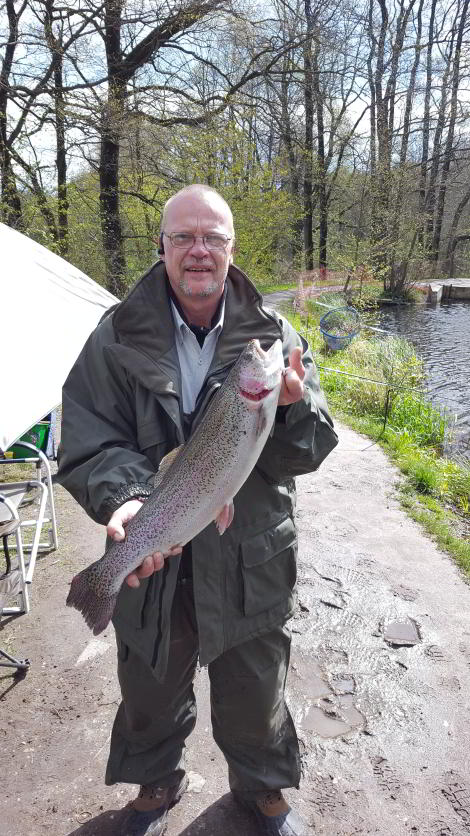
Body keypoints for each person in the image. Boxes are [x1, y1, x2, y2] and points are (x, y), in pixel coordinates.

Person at [57, 184, 338, 836]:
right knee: (149, 685)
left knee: (256, 687)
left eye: (212, 237)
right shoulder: (115, 335)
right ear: (161, 247)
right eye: (183, 237)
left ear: (232, 248)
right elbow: (88, 437)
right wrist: (125, 497)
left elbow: (310, 451)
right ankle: (156, 783)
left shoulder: (275, 336)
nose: (199, 250)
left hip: (250, 555)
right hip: (155, 539)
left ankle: (263, 789)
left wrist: (292, 408)